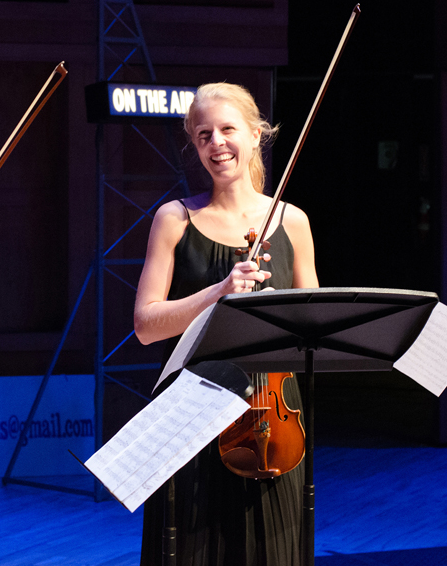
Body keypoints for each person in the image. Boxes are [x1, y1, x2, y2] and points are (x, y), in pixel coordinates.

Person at [133, 82, 319, 566]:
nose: (216, 142)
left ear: (256, 135)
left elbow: (315, 328)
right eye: (202, 135)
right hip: (194, 410)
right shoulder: (174, 219)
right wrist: (218, 293)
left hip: (275, 415)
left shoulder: (293, 221)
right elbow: (147, 325)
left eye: (227, 129)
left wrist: (283, 312)